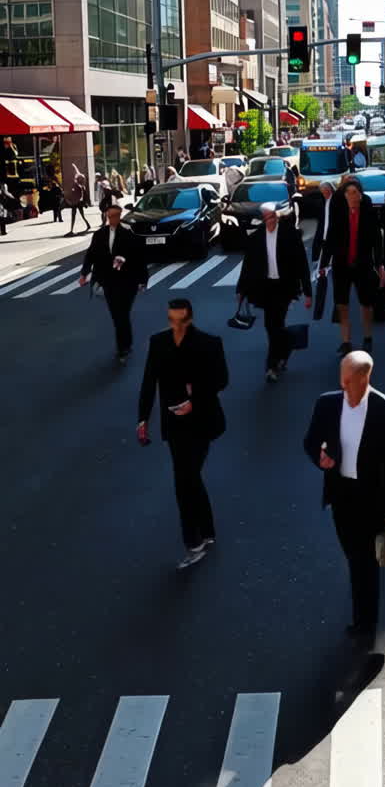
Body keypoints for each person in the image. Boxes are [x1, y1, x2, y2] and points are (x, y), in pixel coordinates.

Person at [303, 350, 385, 648]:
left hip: (372, 498)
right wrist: (321, 457)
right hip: (341, 495)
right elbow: (311, 441)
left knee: (366, 561)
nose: (343, 385)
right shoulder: (327, 404)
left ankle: (366, 624)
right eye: (342, 378)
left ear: (365, 378)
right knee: (354, 557)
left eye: (349, 380)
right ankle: (362, 618)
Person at [137, 298, 229, 568]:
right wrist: (142, 418)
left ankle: (194, 542)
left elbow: (222, 380)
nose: (176, 326)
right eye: (171, 320)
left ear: (190, 319)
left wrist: (195, 398)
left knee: (184, 479)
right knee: (189, 477)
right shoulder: (158, 343)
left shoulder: (209, 344)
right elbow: (148, 382)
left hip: (202, 421)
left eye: (181, 321)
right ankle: (207, 530)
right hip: (173, 422)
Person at [237, 203, 312, 382]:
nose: (270, 221)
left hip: (284, 287)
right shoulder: (256, 238)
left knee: (275, 324)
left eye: (272, 217)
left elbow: (302, 264)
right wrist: (241, 290)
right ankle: (285, 350)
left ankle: (271, 366)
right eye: (266, 218)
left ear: (277, 217)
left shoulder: (290, 235)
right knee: (272, 326)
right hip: (265, 287)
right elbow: (248, 265)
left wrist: (308, 292)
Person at [319, 178, 385, 355]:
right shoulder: (339, 211)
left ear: (360, 195)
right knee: (342, 304)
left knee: (366, 304)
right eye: (348, 193)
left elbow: (377, 240)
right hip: (342, 265)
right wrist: (323, 263)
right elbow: (331, 236)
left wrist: (380, 264)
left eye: (355, 193)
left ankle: (367, 338)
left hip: (363, 264)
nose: (351, 196)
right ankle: (346, 341)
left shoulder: (368, 211)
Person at [79, 203, 148, 362]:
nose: (113, 219)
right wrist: (84, 273)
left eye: (116, 216)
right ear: (106, 216)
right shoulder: (99, 235)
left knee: (122, 314)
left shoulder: (129, 234)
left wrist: (142, 280)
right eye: (110, 216)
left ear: (120, 215)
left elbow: (139, 259)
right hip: (108, 282)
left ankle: (124, 347)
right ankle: (123, 346)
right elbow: (90, 255)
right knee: (117, 316)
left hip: (127, 282)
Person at [311, 181, 334, 263]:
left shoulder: (335, 201)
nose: (323, 195)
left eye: (324, 192)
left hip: (332, 237)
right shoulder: (324, 201)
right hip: (324, 237)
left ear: (329, 190)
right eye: (322, 193)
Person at [65, 165, 91, 234]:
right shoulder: (80, 181)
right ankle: (87, 225)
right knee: (81, 214)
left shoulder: (78, 182)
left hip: (76, 202)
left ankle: (71, 230)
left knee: (74, 215)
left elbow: (81, 193)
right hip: (77, 202)